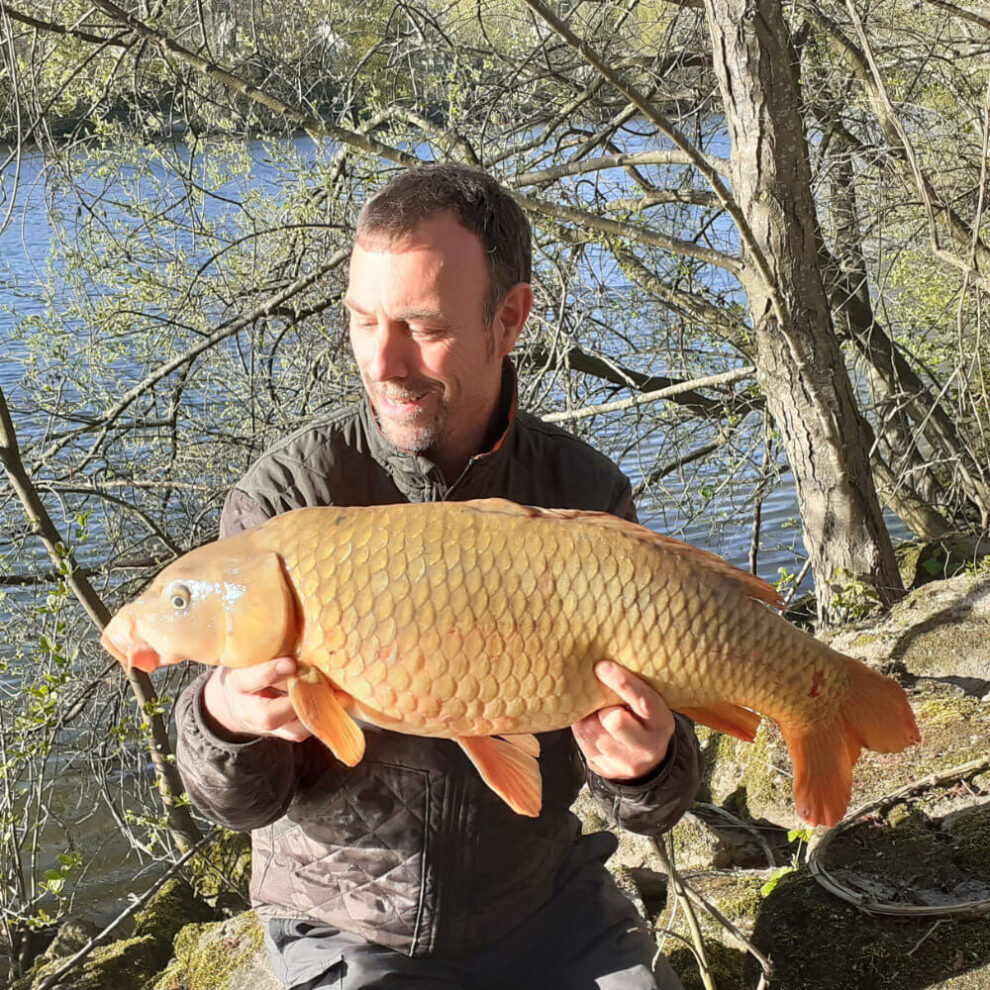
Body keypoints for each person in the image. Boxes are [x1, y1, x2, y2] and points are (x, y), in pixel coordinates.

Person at [174, 164, 701, 990]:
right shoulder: (287, 502)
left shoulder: (583, 495)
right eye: (360, 321)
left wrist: (647, 764)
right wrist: (225, 719)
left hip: (543, 906)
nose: (382, 362)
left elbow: (648, 803)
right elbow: (237, 803)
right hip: (347, 922)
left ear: (510, 318)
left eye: (421, 326)